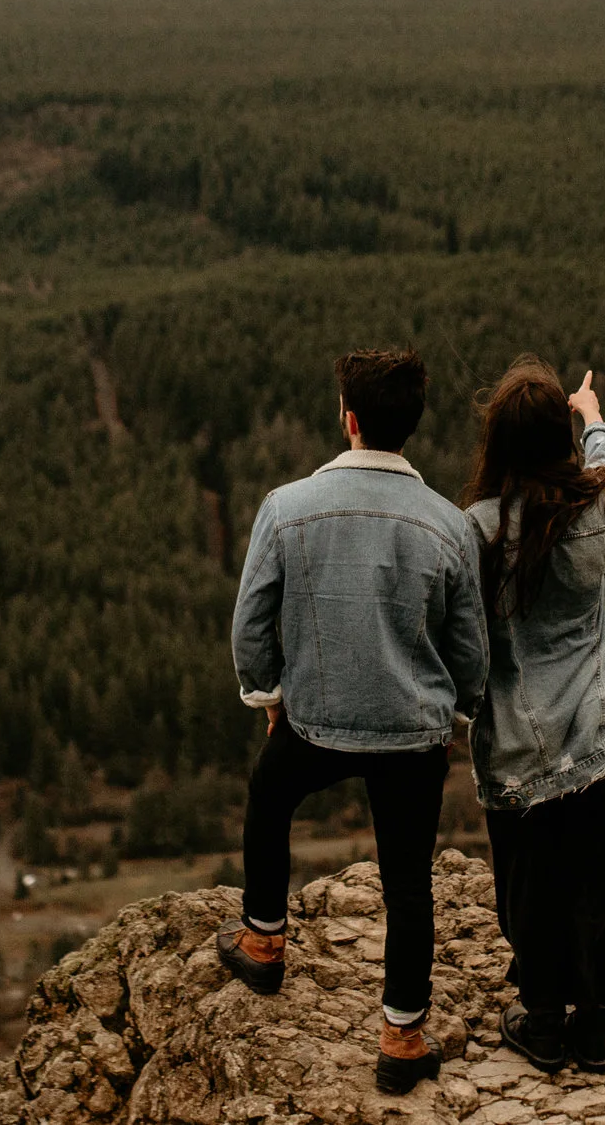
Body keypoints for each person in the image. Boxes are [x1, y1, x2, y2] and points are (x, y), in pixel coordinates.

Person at [221, 346, 489, 1096]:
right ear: (410, 424)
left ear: (349, 419)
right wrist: (456, 714)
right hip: (413, 731)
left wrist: (269, 697)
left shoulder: (286, 506)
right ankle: (402, 1036)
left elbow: (250, 623)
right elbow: (472, 648)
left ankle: (264, 943)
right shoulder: (448, 525)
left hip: (314, 716)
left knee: (270, 799)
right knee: (408, 882)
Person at [461, 357, 605, 1076]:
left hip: (517, 746)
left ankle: (542, 1019)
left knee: (527, 882)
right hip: (589, 736)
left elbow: (466, 642)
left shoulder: (476, 529)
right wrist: (591, 413)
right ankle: (592, 1030)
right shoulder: (592, 507)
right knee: (591, 878)